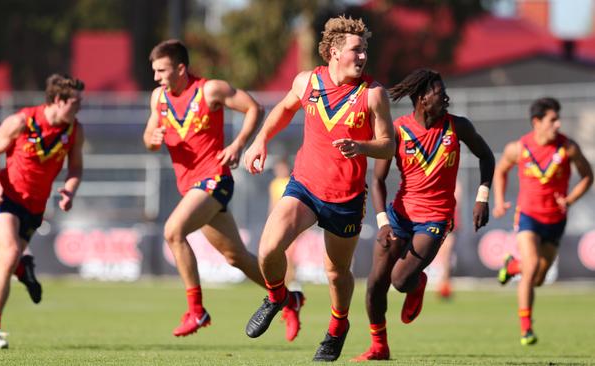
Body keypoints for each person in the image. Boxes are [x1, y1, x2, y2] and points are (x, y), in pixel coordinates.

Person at [243, 16, 395, 361]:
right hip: (305, 186)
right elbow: (283, 109)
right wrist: (260, 141)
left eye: (365, 51)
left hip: (346, 198)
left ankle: (338, 325)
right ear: (334, 51)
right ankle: (277, 296)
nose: (362, 57)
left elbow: (388, 145)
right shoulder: (307, 81)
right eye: (356, 50)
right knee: (268, 250)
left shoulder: (373, 94)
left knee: (335, 272)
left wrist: (363, 147)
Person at [143, 39, 304, 340]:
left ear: (181, 68)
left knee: (173, 231)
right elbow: (149, 141)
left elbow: (253, 107)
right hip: (190, 187)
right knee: (237, 257)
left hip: (214, 179)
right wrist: (153, 137)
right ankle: (288, 298)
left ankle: (196, 311)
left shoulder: (209, 90)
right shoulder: (158, 98)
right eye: (154, 71)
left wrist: (238, 143)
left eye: (162, 70)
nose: (157, 77)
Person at [353, 69, 495, 361]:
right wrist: (382, 222)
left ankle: (417, 284)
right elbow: (377, 180)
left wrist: (482, 196)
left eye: (444, 91)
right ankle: (379, 347)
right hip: (400, 215)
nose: (445, 97)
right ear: (421, 98)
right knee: (374, 284)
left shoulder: (458, 127)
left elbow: (486, 156)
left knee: (401, 281)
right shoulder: (398, 130)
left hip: (436, 218)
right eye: (438, 92)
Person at [0, 74, 85, 349]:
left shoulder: (74, 131)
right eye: (76, 103)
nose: (79, 109)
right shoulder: (22, 122)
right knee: (8, 253)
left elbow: (76, 167)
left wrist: (70, 189)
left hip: (34, 208)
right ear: (58, 100)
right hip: (6, 199)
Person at [492, 97, 592, 346]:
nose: (557, 124)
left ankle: (512, 266)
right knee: (533, 263)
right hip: (528, 216)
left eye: (558, 119)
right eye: (552, 120)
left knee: (537, 277)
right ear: (536, 122)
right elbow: (500, 170)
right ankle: (526, 328)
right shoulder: (518, 148)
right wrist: (499, 201)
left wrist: (569, 200)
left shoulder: (567, 148)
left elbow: (588, 176)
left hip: (556, 220)